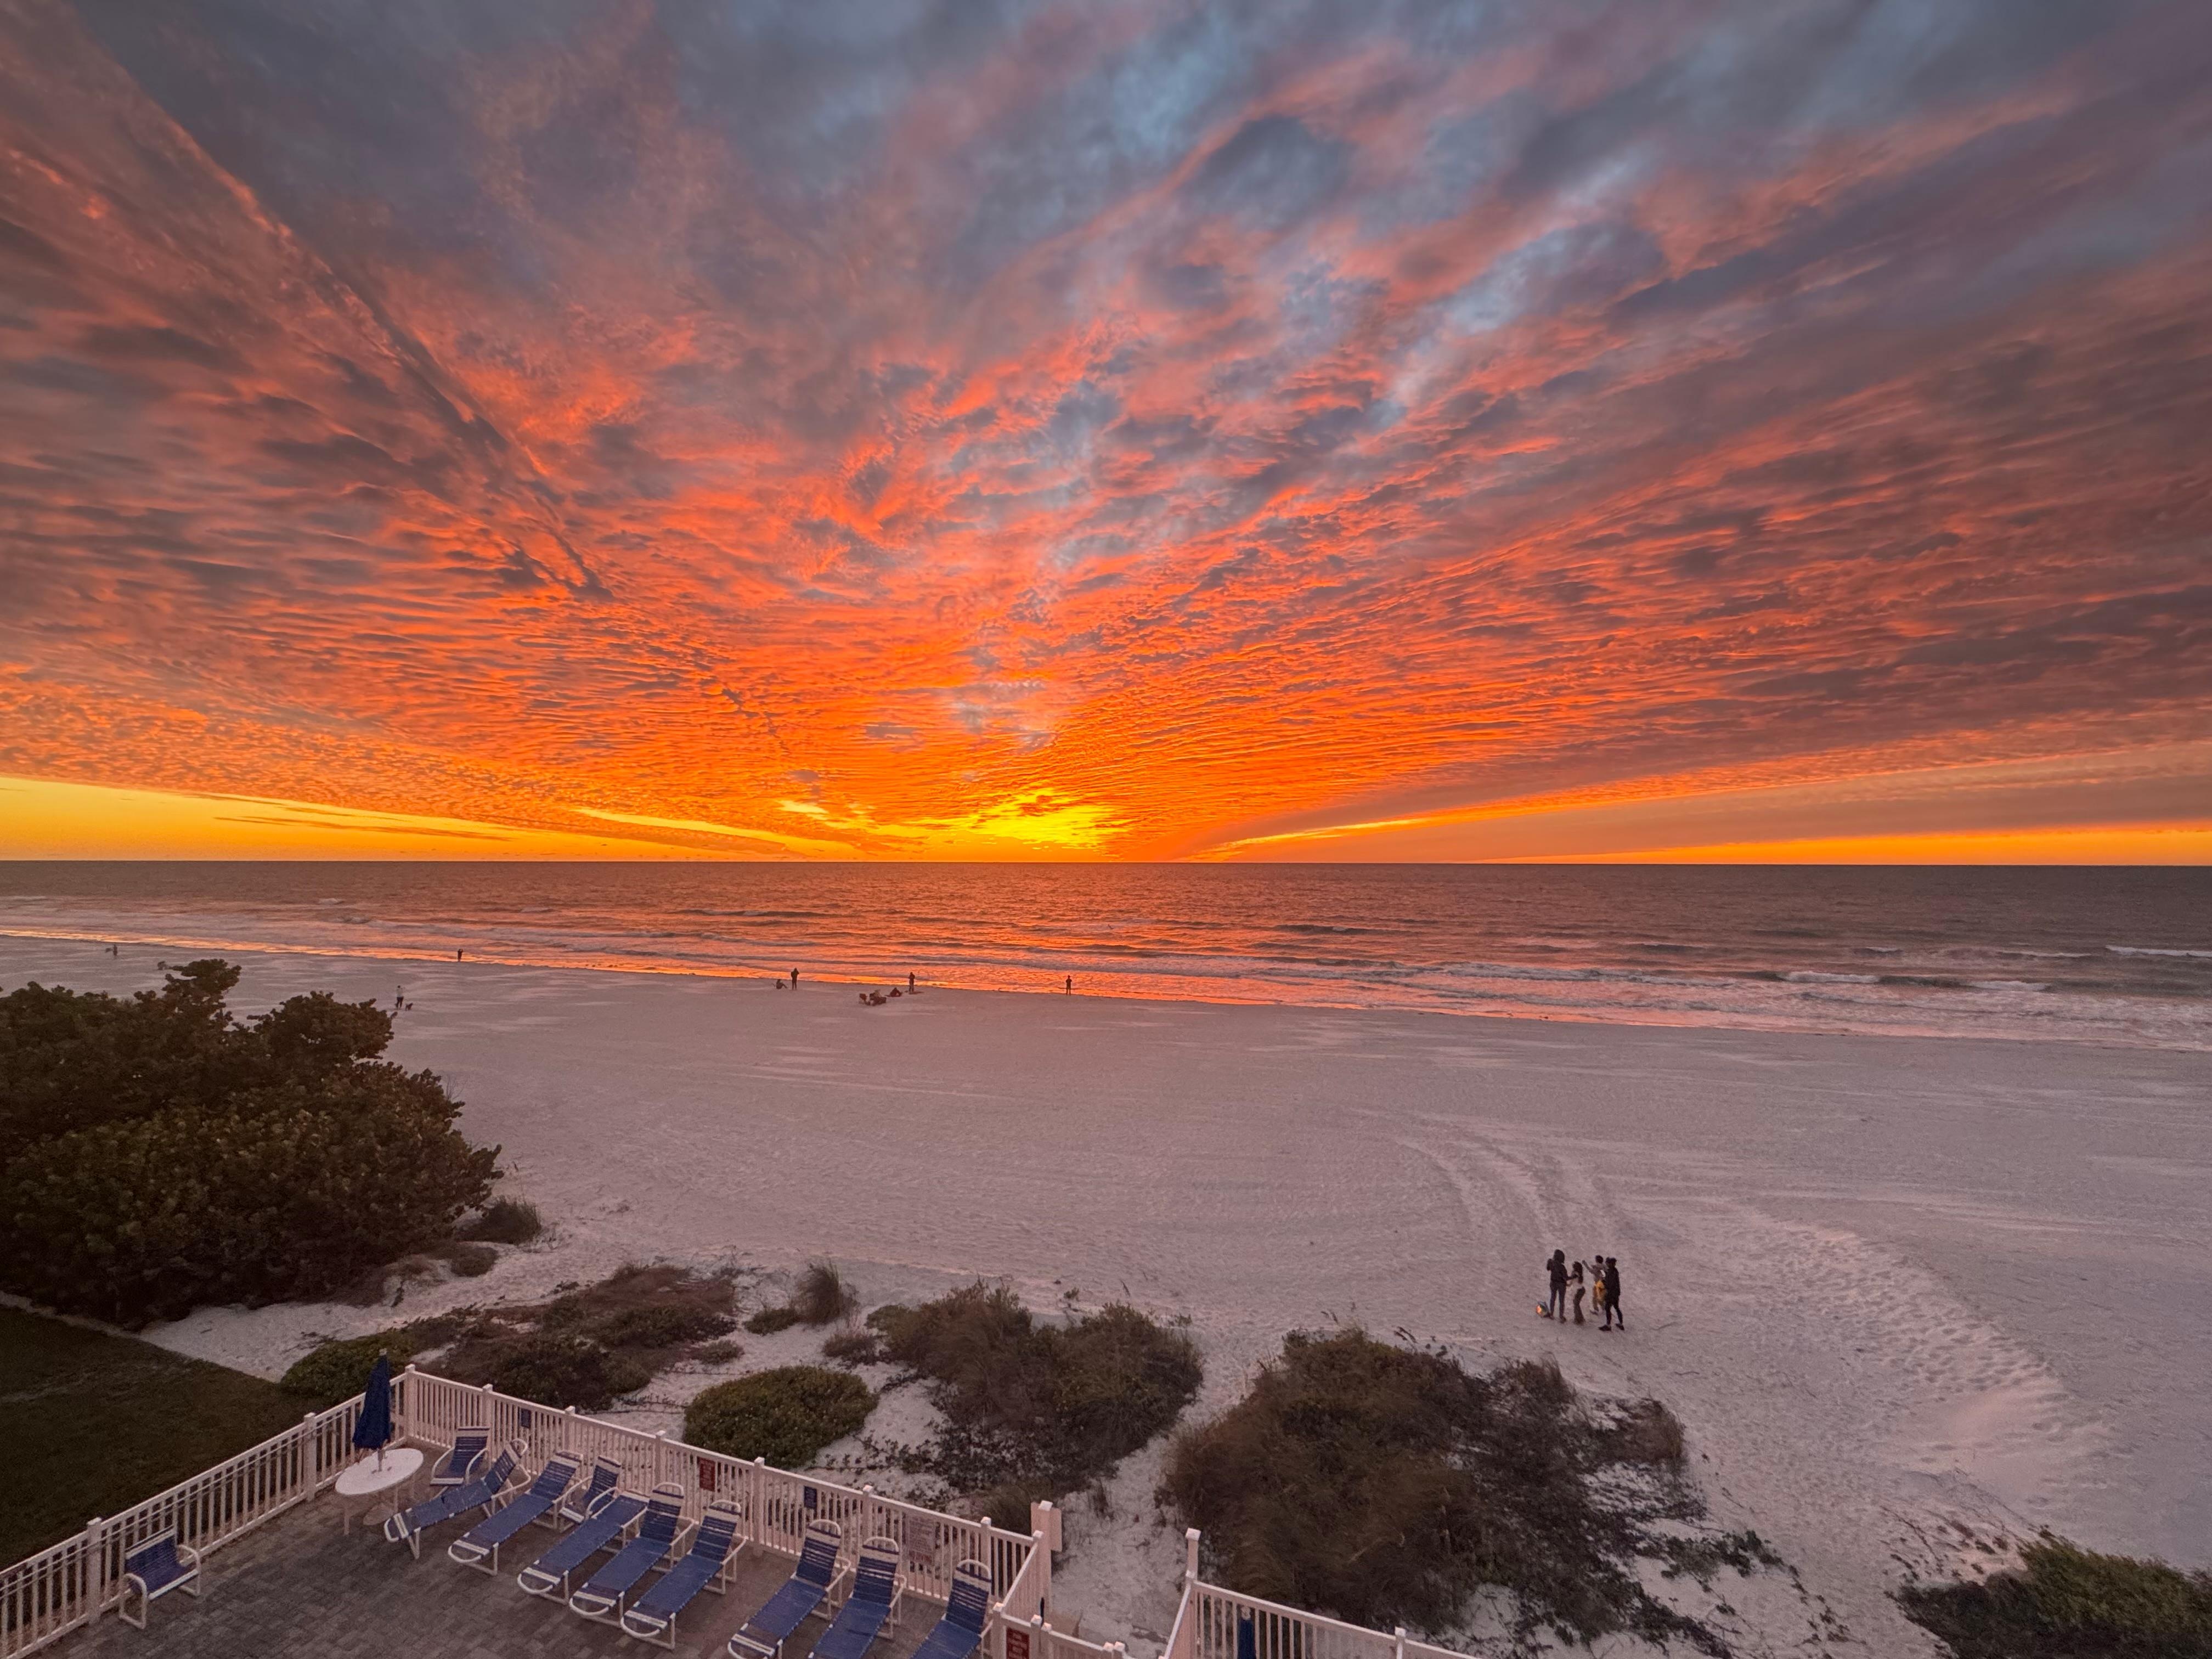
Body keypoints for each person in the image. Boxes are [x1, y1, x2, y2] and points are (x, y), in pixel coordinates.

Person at [1601, 1257, 1624, 1331]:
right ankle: (1621, 1324)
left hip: (1611, 1294)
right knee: (1617, 1308)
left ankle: (1608, 1326)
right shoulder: (1615, 1271)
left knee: (1607, 1309)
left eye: (1607, 1263)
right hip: (1616, 1293)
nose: (1607, 1264)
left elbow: (1608, 1285)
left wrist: (1603, 1282)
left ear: (1610, 1264)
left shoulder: (1611, 1272)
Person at [1544, 1249, 1567, 1320]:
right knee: (1561, 1301)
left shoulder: (1552, 1263)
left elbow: (1548, 1268)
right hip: (1562, 1285)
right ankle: (1561, 1316)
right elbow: (1566, 1277)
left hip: (1553, 1283)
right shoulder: (1562, 1267)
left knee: (1553, 1298)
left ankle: (1551, 1314)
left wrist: (1549, 1262)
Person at [1569, 1260, 1587, 1325]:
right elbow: (1572, 1281)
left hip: (1579, 1291)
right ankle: (1580, 1318)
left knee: (1576, 1305)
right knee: (1576, 1305)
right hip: (1580, 1290)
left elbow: (1571, 1278)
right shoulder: (1577, 1273)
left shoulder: (1576, 1274)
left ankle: (1578, 1319)